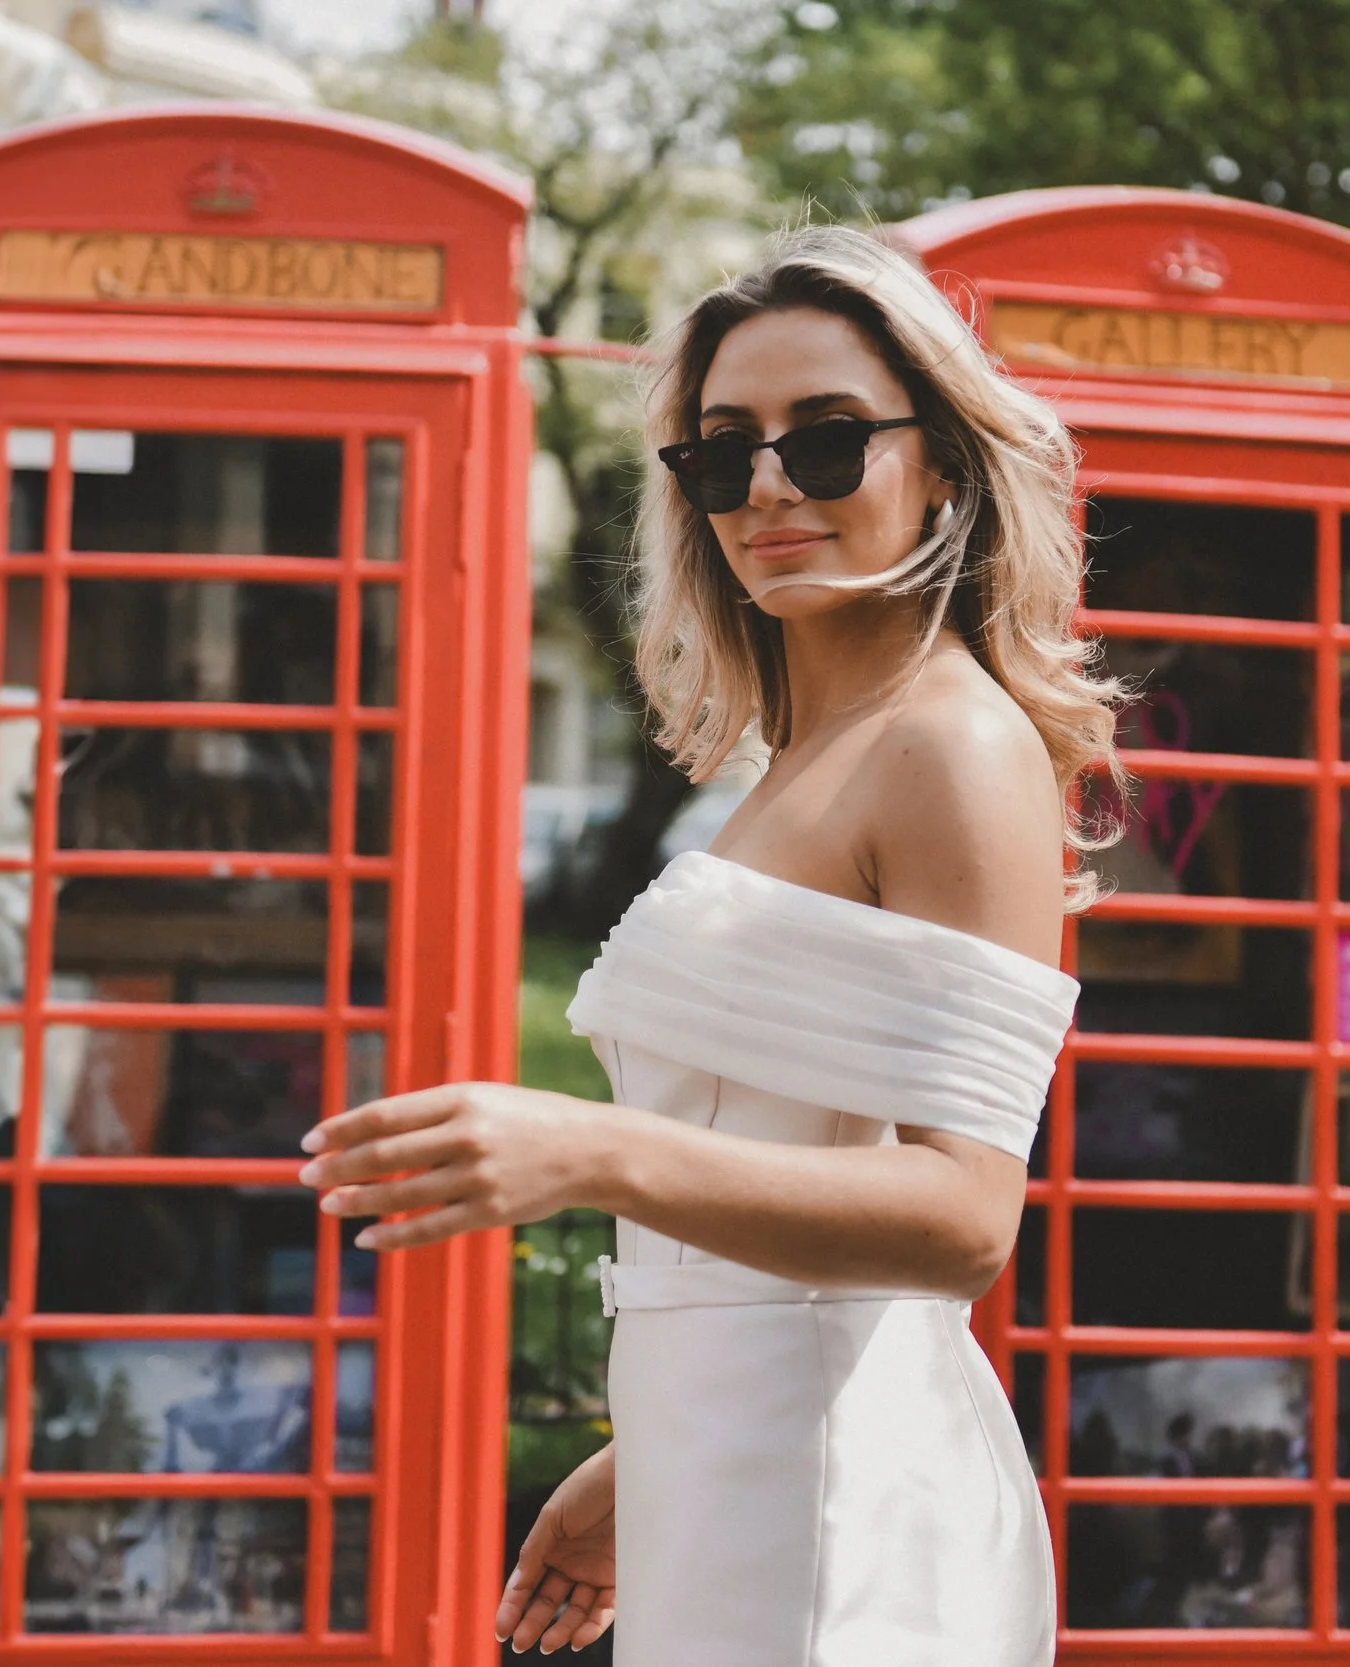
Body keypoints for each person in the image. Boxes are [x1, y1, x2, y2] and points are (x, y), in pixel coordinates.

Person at [296, 223, 1130, 1664]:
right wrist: (653, 1448)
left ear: (939, 458)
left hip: (844, 1510)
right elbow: (798, 1170)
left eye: (825, 442)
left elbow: (962, 1215)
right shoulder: (803, 756)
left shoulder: (951, 744)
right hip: (732, 1456)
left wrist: (586, 1150)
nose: (764, 488)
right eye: (719, 449)